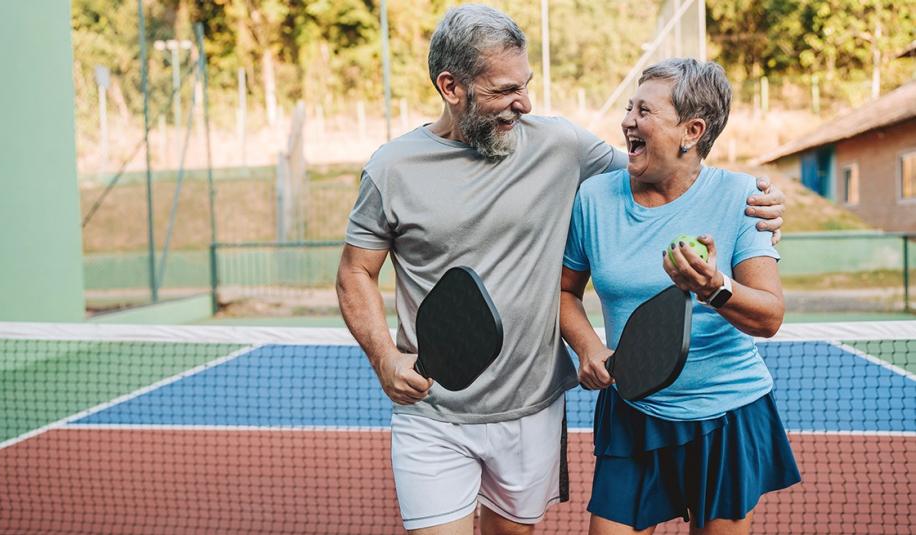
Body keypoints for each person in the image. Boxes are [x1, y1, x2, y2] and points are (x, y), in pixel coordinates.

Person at [336, 5, 786, 535]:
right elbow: (354, 273)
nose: (523, 104)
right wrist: (385, 357)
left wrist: (762, 201)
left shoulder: (562, 145)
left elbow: (672, 171)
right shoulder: (392, 168)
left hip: (532, 409)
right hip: (433, 411)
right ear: (451, 87)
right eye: (505, 90)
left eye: (525, 85)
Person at [559, 58, 801, 535]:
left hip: (728, 412)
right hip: (634, 407)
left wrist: (716, 289)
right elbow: (565, 292)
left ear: (692, 130)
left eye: (644, 111)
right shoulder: (593, 198)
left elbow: (770, 317)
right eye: (629, 108)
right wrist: (587, 346)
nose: (628, 120)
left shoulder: (742, 197)